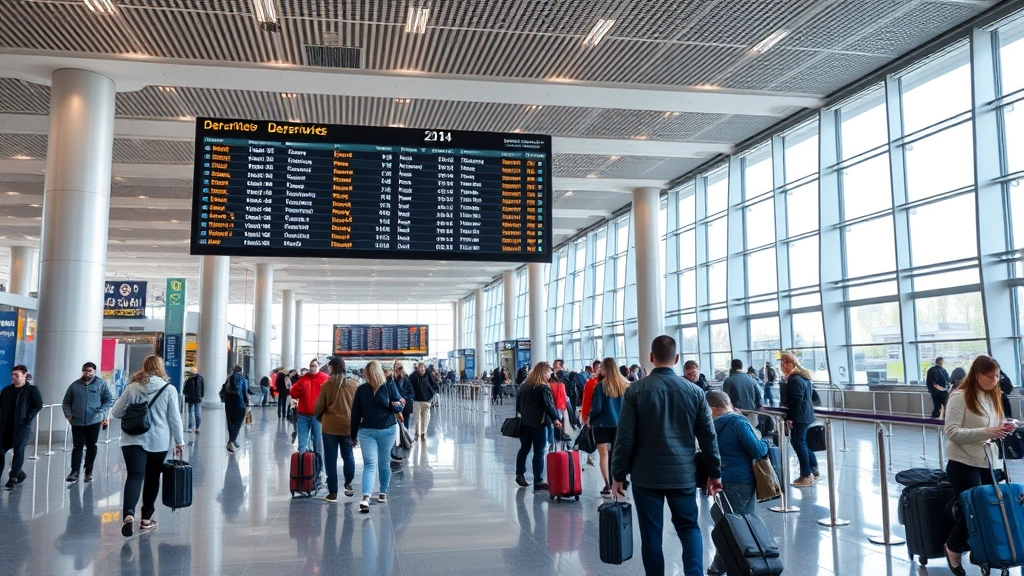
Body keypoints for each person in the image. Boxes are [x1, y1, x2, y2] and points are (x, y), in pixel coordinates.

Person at [612, 335, 722, 576]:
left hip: (645, 476)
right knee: (689, 527)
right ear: (677, 359)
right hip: (682, 473)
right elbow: (708, 437)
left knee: (651, 535)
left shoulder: (636, 391)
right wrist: (715, 472)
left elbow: (625, 438)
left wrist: (618, 474)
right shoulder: (694, 392)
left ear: (651, 358)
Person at [942, 355, 1014, 576]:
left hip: (988, 461)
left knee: (991, 508)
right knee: (972, 510)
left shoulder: (994, 396)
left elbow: (994, 425)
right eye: (990, 376)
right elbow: (951, 431)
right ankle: (953, 547)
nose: (995, 381)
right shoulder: (960, 397)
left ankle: (977, 548)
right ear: (977, 375)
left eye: (997, 376)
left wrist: (1005, 427)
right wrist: (987, 432)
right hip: (963, 462)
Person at [110, 355, 184, 537]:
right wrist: (179, 440)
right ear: (160, 368)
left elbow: (116, 412)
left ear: (144, 367)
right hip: (158, 441)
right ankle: (145, 520)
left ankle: (128, 514)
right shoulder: (168, 389)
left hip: (132, 438)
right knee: (152, 478)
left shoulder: (133, 387)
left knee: (134, 476)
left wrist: (135, 410)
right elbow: (174, 418)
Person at [704, 391, 771, 576]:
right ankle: (739, 564)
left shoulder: (708, 426)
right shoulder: (738, 422)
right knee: (742, 524)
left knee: (730, 523)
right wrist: (765, 442)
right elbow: (757, 450)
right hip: (741, 479)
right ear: (728, 403)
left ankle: (719, 565)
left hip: (720, 479)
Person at [350, 360, 404, 513]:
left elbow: (355, 415)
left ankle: (366, 497)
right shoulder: (388, 386)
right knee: (383, 463)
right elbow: (398, 406)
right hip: (387, 429)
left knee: (370, 464)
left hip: (367, 431)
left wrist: (352, 436)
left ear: (366, 374)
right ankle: (382, 493)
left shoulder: (361, 390)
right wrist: (397, 406)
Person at [314, 356, 359, 503]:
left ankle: (333, 493)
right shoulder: (354, 385)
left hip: (330, 427)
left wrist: (321, 418)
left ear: (332, 368)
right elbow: (357, 408)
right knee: (348, 455)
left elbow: (319, 407)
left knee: (330, 459)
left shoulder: (327, 385)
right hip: (347, 426)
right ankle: (348, 484)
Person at [62, 362, 115, 483]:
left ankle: (88, 471)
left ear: (94, 371)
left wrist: (101, 412)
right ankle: (74, 471)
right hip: (77, 421)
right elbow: (66, 401)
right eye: (85, 370)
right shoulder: (75, 385)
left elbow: (109, 399)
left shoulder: (101, 384)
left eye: (89, 371)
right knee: (77, 447)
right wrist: (68, 415)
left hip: (93, 421)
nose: (87, 373)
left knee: (92, 446)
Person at [514, 362, 562, 490]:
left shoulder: (524, 386)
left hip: (524, 422)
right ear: (543, 372)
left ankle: (520, 473)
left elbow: (518, 405)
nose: (550, 375)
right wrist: (556, 419)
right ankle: (538, 480)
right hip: (538, 423)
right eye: (548, 373)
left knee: (524, 448)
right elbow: (549, 405)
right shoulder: (543, 387)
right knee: (539, 451)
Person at [589, 357, 629, 498]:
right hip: (620, 424)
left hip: (601, 424)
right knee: (617, 454)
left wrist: (590, 419)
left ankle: (607, 485)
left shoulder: (600, 386)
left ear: (605, 368)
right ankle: (618, 481)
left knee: (603, 455)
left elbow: (597, 407)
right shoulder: (625, 385)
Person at [0, 365, 43, 490]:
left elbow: (38, 404)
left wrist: (27, 418)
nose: (14, 377)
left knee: (18, 451)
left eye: (17, 375)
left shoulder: (31, 390)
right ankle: (18, 473)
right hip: (6, 427)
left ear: (24, 375)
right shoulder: (6, 391)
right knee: (0, 451)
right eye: (13, 375)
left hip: (22, 427)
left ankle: (13, 477)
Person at [780, 352, 819, 487]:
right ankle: (814, 469)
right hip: (806, 415)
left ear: (789, 364)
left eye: (783, 363)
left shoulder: (794, 379)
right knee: (802, 443)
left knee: (798, 443)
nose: (782, 367)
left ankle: (806, 475)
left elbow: (796, 400)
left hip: (800, 417)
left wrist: (790, 418)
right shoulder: (804, 377)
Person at [290, 358, 329, 460]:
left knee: (318, 443)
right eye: (311, 366)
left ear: (319, 366)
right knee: (302, 443)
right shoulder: (303, 379)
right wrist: (301, 388)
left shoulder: (325, 378)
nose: (312, 368)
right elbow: (293, 393)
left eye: (315, 366)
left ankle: (319, 465)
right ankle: (302, 466)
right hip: (303, 415)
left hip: (318, 415)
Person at [722, 359, 762, 428]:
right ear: (742, 367)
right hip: (752, 413)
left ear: (732, 367)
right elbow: (758, 397)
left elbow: (726, 400)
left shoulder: (728, 381)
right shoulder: (751, 379)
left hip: (736, 414)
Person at [221, 366, 249, 453]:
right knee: (238, 421)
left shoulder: (229, 378)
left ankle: (231, 441)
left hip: (228, 403)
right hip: (239, 403)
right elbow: (245, 393)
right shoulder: (243, 379)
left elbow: (223, 389)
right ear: (241, 371)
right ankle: (232, 439)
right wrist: (247, 405)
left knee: (230, 422)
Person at [409, 362, 439, 440]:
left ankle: (422, 433)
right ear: (417, 368)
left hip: (426, 400)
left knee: (424, 417)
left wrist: (433, 394)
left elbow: (434, 384)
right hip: (417, 400)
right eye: (420, 367)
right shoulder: (413, 376)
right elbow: (409, 387)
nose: (422, 369)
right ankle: (418, 433)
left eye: (423, 368)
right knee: (417, 417)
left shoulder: (426, 375)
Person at [393, 362, 414, 432]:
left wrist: (404, 398)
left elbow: (411, 393)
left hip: (405, 405)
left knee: (405, 424)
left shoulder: (406, 379)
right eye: (396, 369)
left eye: (399, 369)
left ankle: (405, 441)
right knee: (396, 425)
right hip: (395, 405)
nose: (398, 371)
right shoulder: (391, 380)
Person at [183, 367, 205, 433]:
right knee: (191, 413)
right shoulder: (189, 379)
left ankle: (197, 427)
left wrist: (201, 396)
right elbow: (185, 388)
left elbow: (202, 388)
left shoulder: (200, 378)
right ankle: (190, 426)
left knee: (197, 413)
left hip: (197, 398)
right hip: (191, 398)